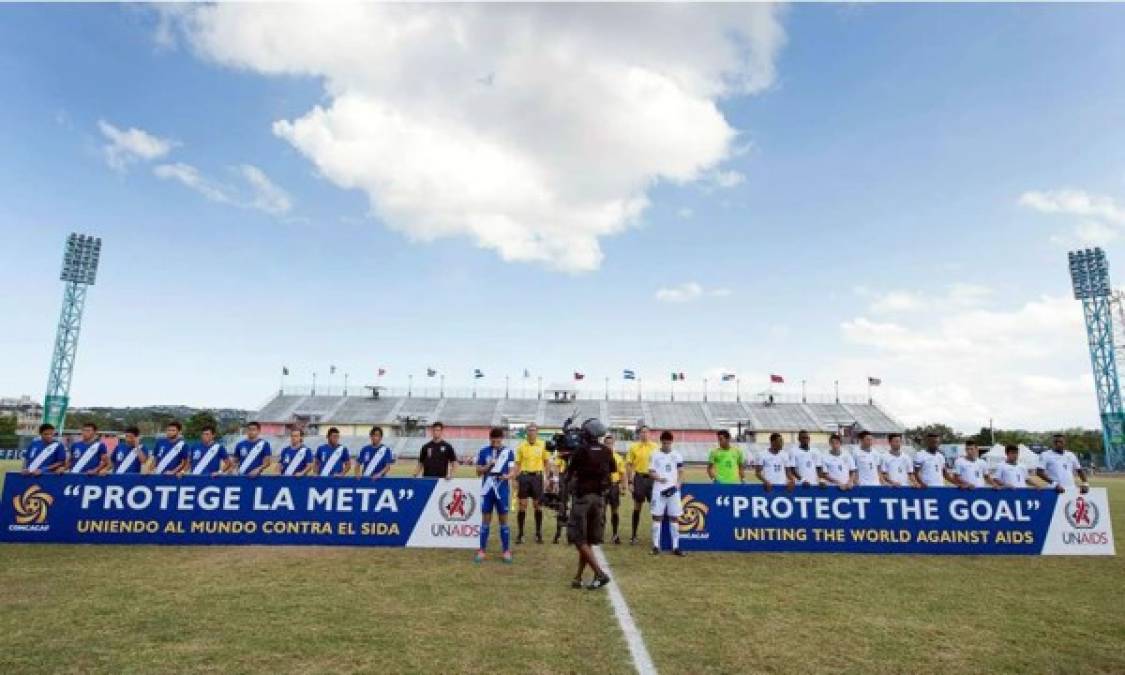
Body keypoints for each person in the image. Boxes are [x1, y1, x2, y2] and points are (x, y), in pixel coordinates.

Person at [565, 418, 615, 589]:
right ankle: (578, 577)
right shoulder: (607, 451)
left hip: (582, 499)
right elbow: (612, 470)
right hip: (600, 500)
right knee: (587, 541)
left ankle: (600, 574)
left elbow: (569, 474)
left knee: (578, 539)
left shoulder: (580, 451)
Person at [474, 427, 518, 563]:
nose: (496, 441)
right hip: (487, 491)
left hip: (502, 490)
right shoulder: (483, 452)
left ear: (501, 439)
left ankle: (506, 551)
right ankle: (481, 551)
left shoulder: (508, 452)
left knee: (503, 521)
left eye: (498, 439)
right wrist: (488, 465)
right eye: (493, 439)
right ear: (490, 439)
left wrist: (507, 476)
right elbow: (478, 471)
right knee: (485, 521)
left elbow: (512, 471)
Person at [649, 431, 686, 557]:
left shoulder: (677, 455)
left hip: (673, 491)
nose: (666, 445)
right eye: (664, 443)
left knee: (674, 517)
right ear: (661, 442)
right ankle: (655, 546)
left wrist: (679, 483)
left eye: (668, 443)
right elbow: (651, 472)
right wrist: (658, 478)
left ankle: (675, 546)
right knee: (656, 517)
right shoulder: (654, 455)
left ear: (671, 442)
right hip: (658, 490)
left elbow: (681, 471)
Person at [514, 423, 549, 544]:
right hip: (524, 476)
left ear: (537, 432)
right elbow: (517, 463)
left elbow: (546, 461)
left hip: (537, 477)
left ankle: (538, 534)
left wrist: (547, 478)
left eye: (533, 430)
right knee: (522, 505)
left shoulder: (543, 444)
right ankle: (520, 534)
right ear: (526, 432)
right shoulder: (521, 446)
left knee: (537, 505)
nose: (531, 432)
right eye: (529, 430)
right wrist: (515, 479)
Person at [624, 425, 659, 544]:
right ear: (639, 434)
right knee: (637, 506)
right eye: (642, 432)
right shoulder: (633, 447)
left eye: (646, 432)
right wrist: (630, 482)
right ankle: (634, 536)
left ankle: (656, 537)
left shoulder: (655, 447)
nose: (644, 434)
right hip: (639, 478)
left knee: (655, 508)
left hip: (652, 479)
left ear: (650, 434)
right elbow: (628, 465)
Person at [604, 435, 626, 544]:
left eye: (610, 443)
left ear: (613, 444)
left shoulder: (618, 457)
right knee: (601, 511)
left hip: (614, 485)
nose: (609, 445)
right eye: (607, 443)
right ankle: (599, 535)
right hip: (602, 486)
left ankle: (615, 534)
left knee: (615, 510)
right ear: (604, 444)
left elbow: (622, 473)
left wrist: (623, 486)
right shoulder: (600, 456)